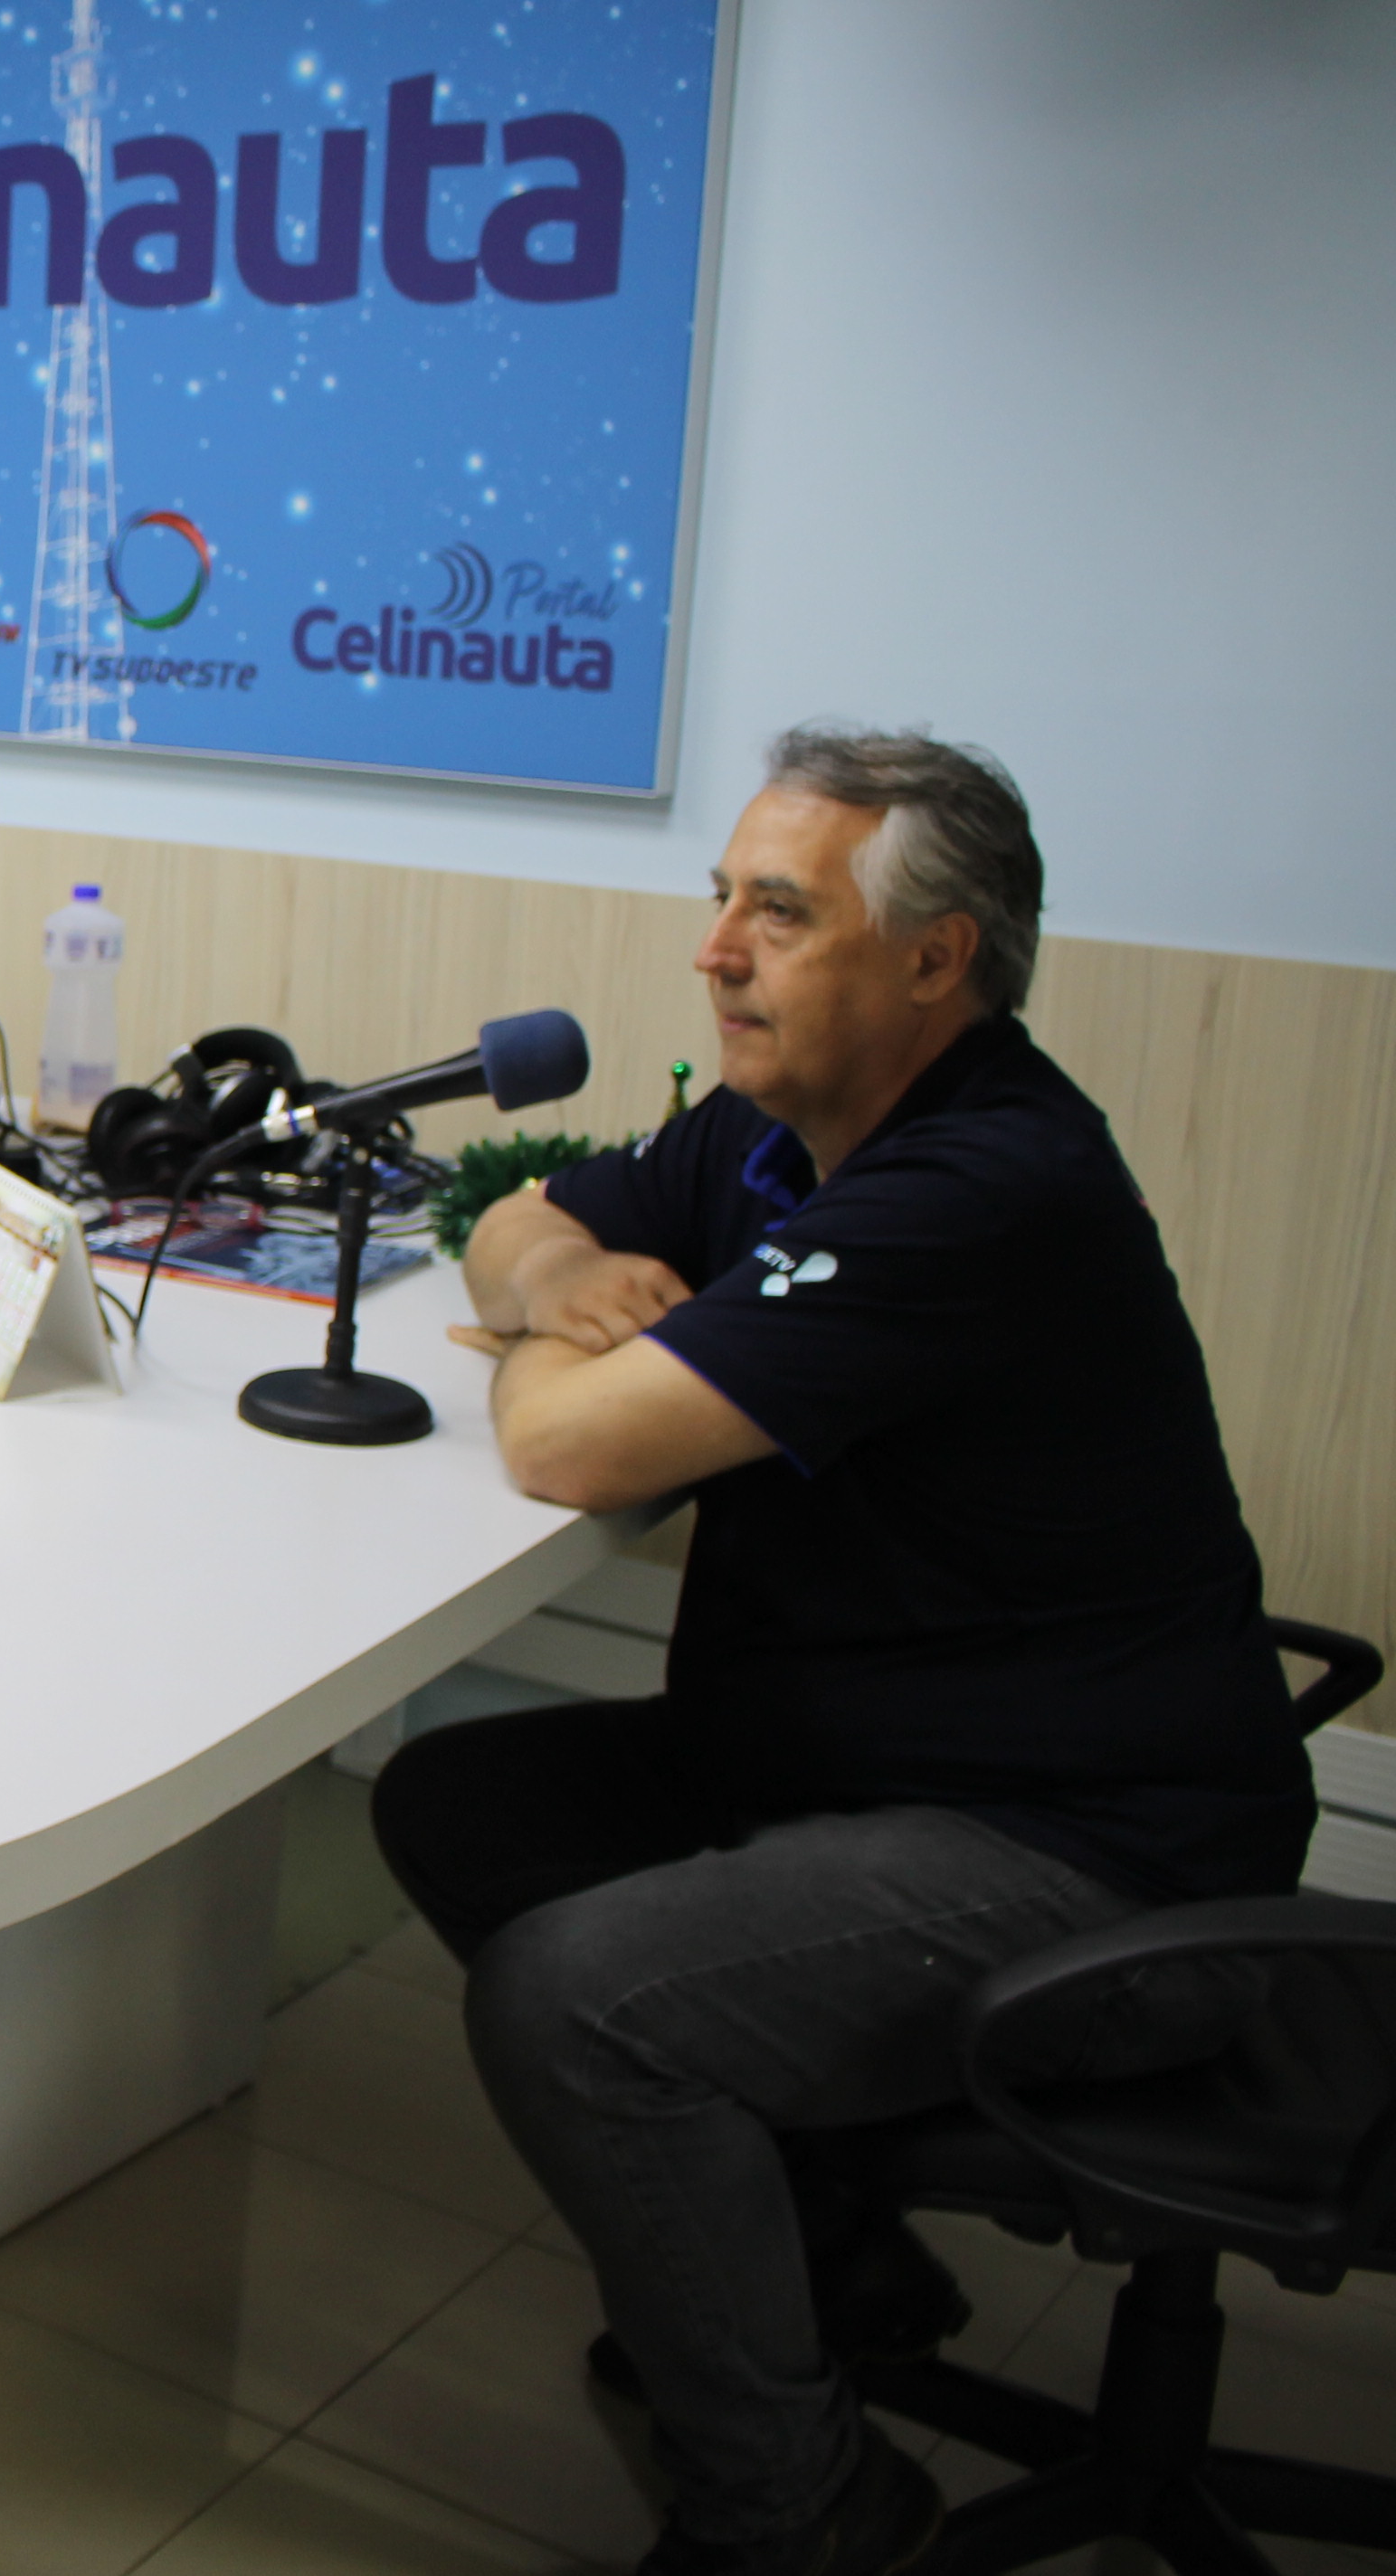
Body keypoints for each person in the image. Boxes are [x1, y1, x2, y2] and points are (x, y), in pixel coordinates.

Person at [375, 730, 1311, 2576]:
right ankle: (830, 2266)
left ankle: (801, 2513)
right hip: (860, 1756)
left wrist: (551, 1346)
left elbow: (566, 1447)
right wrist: (558, 1282)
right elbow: (521, 1217)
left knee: (574, 1999)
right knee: (463, 1804)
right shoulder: (776, 1121)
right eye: (722, 897)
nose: (715, 949)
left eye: (779, 913)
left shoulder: (980, 1182)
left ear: (934, 958)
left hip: (1089, 1852)